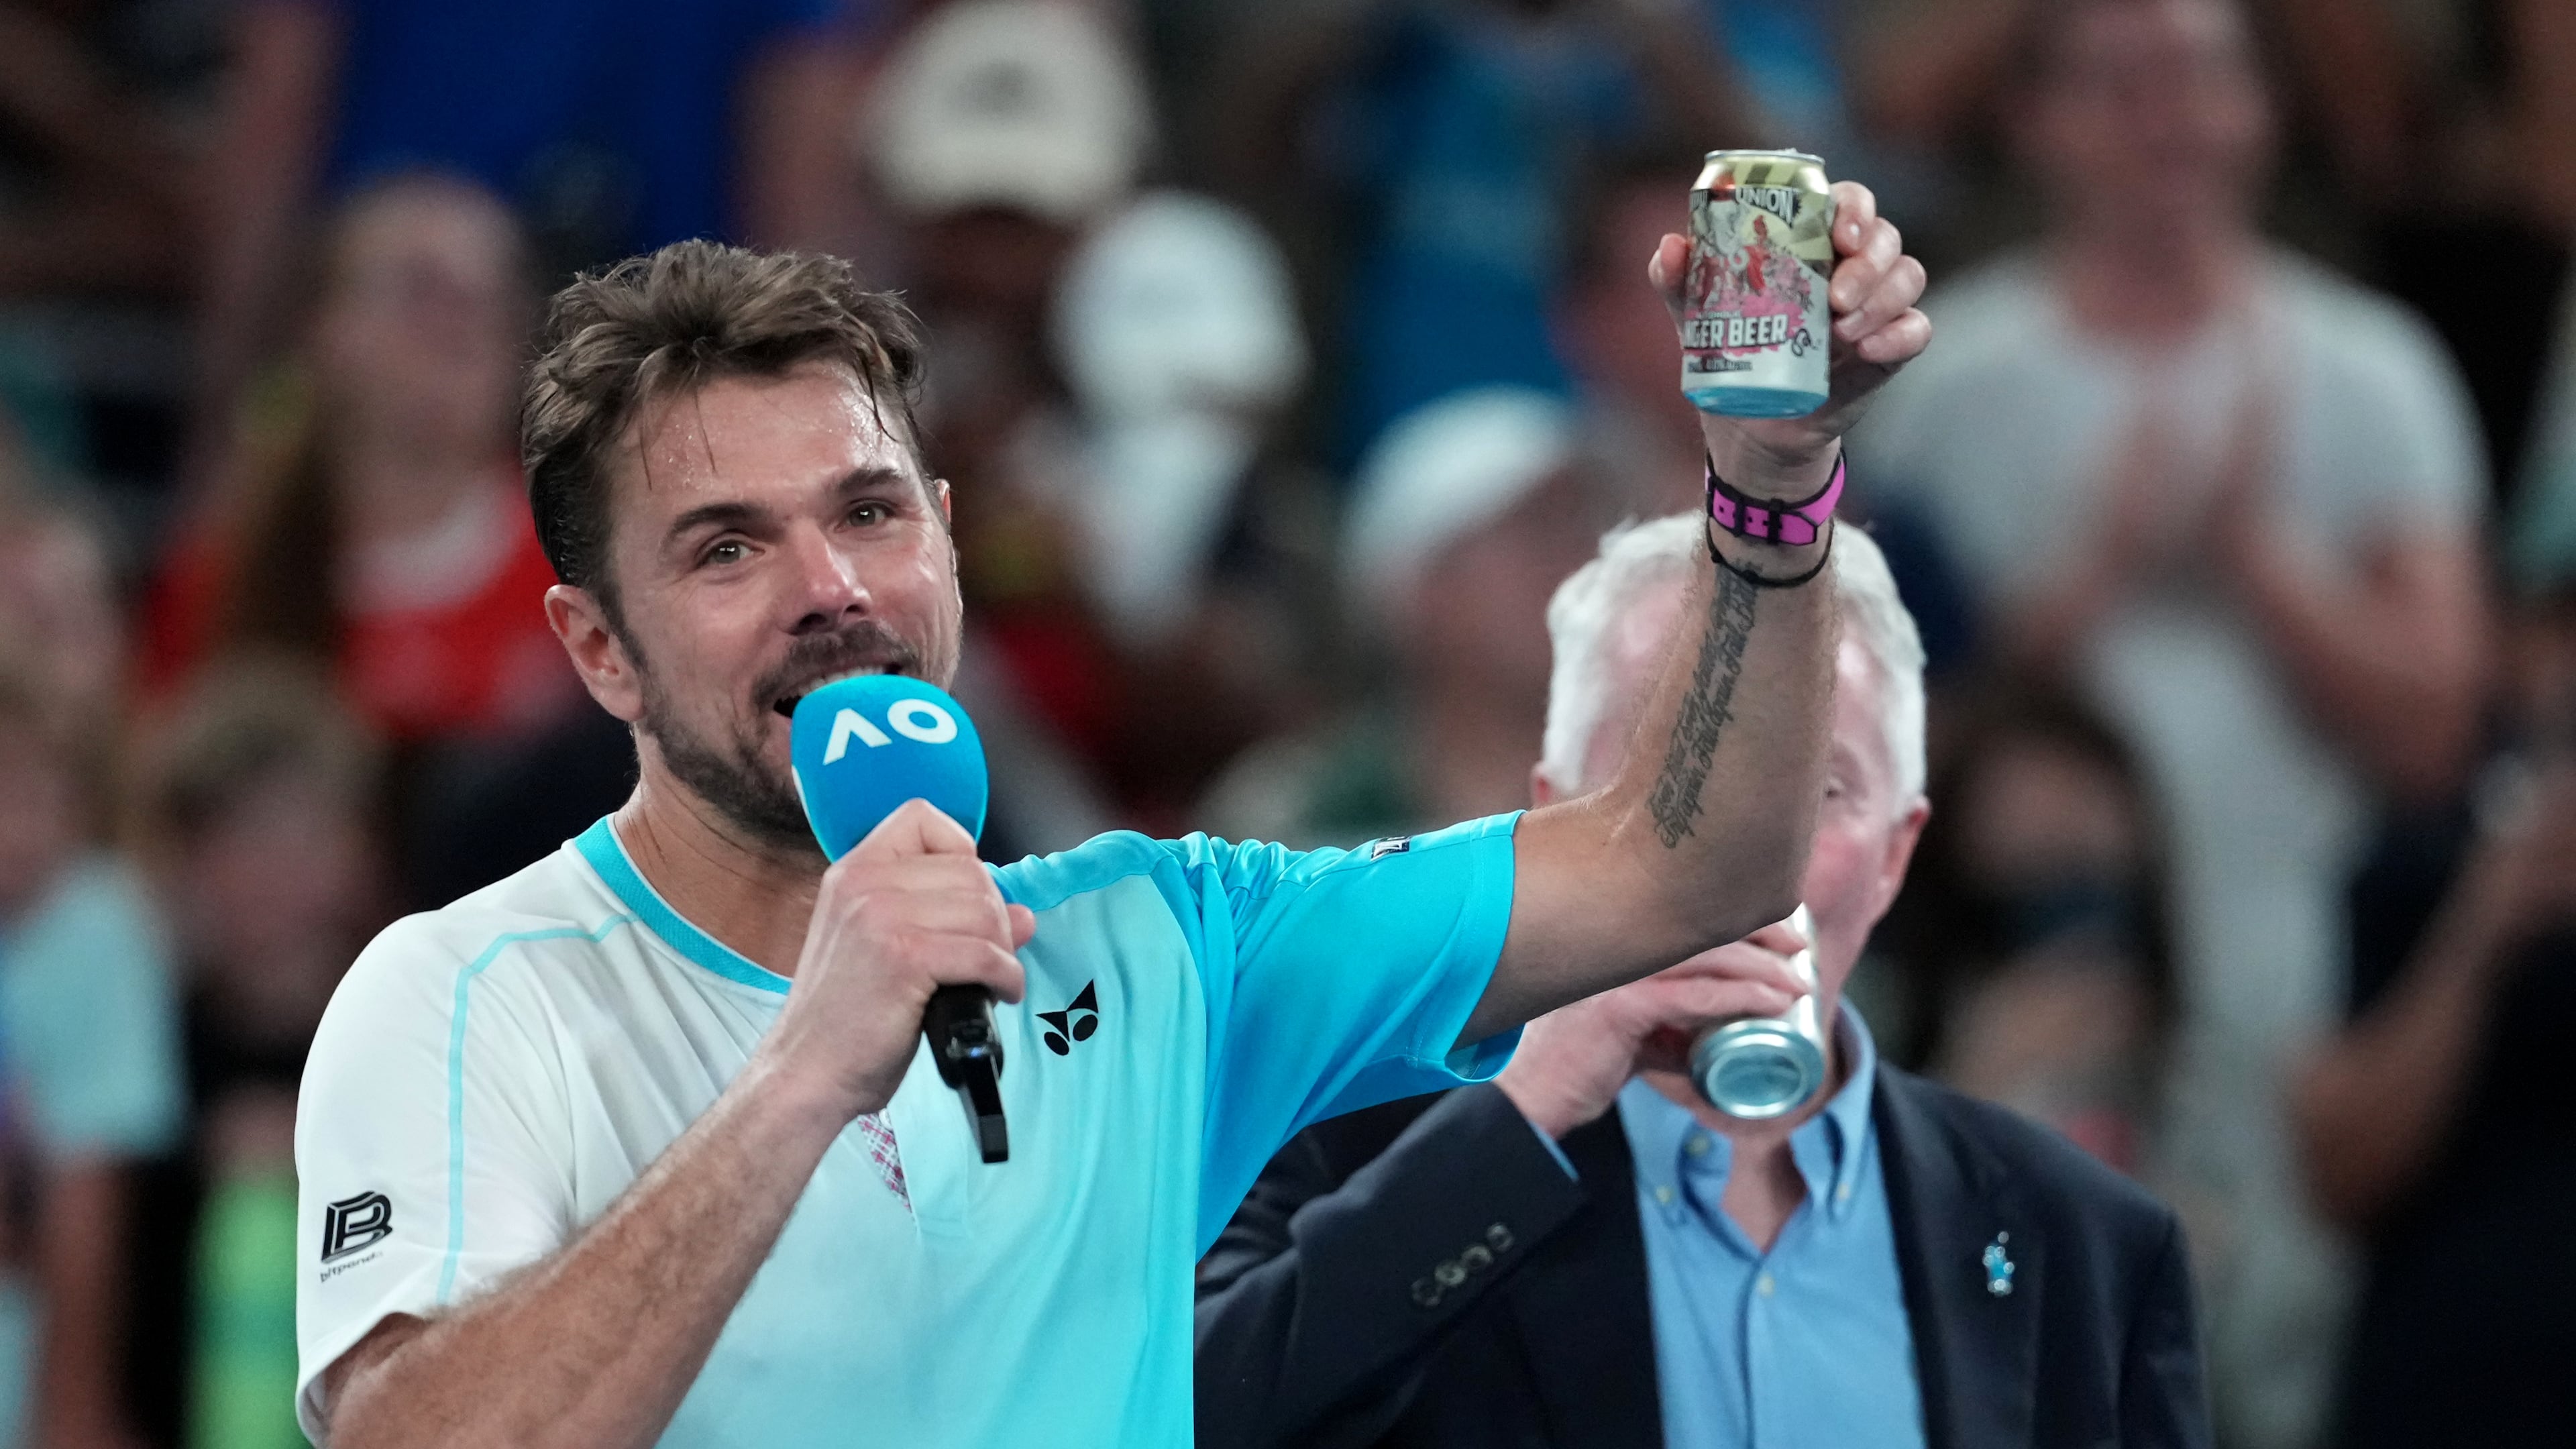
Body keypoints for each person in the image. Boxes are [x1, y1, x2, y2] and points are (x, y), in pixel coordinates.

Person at [287, 185, 1929, 1447]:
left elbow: (1691, 860)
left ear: (940, 535)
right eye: (727, 549)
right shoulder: (464, 995)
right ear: (598, 648)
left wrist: (1772, 481)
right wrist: (806, 1069)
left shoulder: (1162, 937)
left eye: (867, 513)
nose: (832, 592)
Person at [1195, 517, 2210, 1449]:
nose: (1741, 866)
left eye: (1817, 792)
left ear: (1898, 855)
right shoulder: (1337, 1149)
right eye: (1671, 792)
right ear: (1550, 828)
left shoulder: (2088, 1243)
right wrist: (1527, 1108)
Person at [1850, 2, 2490, 1441]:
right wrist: (2079, 596)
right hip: (2029, 992)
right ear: (2034, 121)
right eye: (2121, 83)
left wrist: (2260, 563)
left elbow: (2442, 731)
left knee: (2267, 1378)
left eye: (2204, 78)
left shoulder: (2371, 368)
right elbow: (1848, 750)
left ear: (2264, 112)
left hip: (2294, 988)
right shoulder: (1944, 391)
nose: (2170, 121)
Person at [0, 657, 187, 1449]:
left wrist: (72, 1408)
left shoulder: (100, 929)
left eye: (44, 797)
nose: (21, 829)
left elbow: (88, 1207)